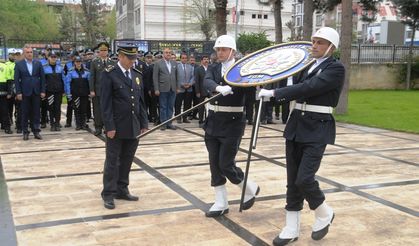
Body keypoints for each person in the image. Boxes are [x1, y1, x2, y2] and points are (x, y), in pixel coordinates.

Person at [258, 27, 344, 245]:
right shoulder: (306, 67)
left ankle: (324, 212)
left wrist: (276, 93)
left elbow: (309, 87)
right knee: (292, 182)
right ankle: (291, 227)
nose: (314, 45)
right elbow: (291, 83)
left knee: (304, 178)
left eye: (320, 43)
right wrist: (268, 85)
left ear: (331, 47)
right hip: (296, 126)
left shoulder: (336, 68)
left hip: (318, 129)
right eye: (314, 41)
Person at [203, 35, 260, 217]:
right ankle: (221, 202)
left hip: (233, 122)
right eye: (218, 50)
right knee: (214, 164)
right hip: (212, 120)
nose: (220, 53)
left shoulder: (242, 70)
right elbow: (206, 81)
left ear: (232, 51)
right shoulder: (213, 67)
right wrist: (218, 88)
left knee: (226, 163)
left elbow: (251, 92)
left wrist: (253, 87)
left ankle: (249, 186)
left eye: (223, 50)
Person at [100, 44, 148, 210]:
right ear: (120, 56)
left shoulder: (136, 75)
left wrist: (144, 123)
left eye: (134, 58)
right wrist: (109, 126)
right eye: (129, 58)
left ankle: (122, 188)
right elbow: (104, 104)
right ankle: (108, 192)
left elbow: (140, 102)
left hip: (133, 125)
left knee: (127, 159)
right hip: (116, 126)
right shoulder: (109, 75)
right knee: (113, 160)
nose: (132, 62)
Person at [14, 45, 46, 140]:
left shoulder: (38, 63)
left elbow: (43, 78)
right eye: (27, 52)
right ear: (24, 53)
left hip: (36, 91)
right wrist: (18, 92)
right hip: (24, 92)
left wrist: (43, 90)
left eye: (31, 52)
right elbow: (16, 80)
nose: (29, 54)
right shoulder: (19, 64)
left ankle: (36, 131)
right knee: (25, 112)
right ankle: (25, 132)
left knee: (36, 112)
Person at [89, 42, 115, 135]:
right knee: (97, 110)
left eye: (105, 50)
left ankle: (107, 127)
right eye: (101, 50)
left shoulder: (112, 62)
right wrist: (92, 90)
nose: (103, 52)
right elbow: (92, 77)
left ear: (108, 51)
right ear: (98, 52)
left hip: (109, 91)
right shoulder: (95, 62)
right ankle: (98, 127)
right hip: (98, 90)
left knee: (108, 109)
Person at [153, 48, 178, 130]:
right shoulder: (158, 63)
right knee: (163, 106)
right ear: (163, 54)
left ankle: (169, 123)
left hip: (173, 88)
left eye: (170, 53)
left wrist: (177, 87)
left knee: (170, 106)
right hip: (162, 88)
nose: (168, 54)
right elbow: (155, 77)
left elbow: (177, 76)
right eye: (166, 53)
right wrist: (156, 89)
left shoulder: (174, 63)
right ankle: (163, 123)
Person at [64, 56, 90, 130]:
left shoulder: (87, 71)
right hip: (75, 94)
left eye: (79, 62)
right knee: (77, 109)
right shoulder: (70, 71)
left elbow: (89, 82)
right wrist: (68, 93)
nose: (78, 63)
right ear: (74, 62)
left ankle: (83, 123)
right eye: (77, 62)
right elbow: (67, 83)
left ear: (81, 62)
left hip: (84, 94)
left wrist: (90, 92)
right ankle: (78, 124)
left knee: (84, 109)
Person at [43, 51, 65, 131]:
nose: (53, 58)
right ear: (48, 58)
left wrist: (64, 90)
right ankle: (52, 124)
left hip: (58, 91)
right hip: (49, 91)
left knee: (57, 108)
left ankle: (57, 123)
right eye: (51, 57)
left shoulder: (60, 67)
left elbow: (63, 80)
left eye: (54, 57)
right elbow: (42, 81)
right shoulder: (44, 68)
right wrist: (43, 91)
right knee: (51, 108)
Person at [175, 53, 194, 123]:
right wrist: (181, 84)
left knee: (187, 104)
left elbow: (193, 77)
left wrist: (190, 84)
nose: (184, 59)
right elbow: (175, 78)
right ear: (180, 59)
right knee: (178, 104)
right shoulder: (177, 67)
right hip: (180, 88)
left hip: (189, 88)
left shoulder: (190, 67)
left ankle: (185, 118)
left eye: (185, 58)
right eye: (183, 58)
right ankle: (178, 118)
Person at [193, 55, 210, 127]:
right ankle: (201, 121)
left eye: (207, 59)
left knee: (211, 106)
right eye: (204, 59)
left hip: (210, 91)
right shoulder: (198, 69)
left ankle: (209, 120)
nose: (206, 60)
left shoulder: (211, 68)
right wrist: (197, 92)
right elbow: (196, 81)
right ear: (201, 61)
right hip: (202, 91)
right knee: (201, 107)